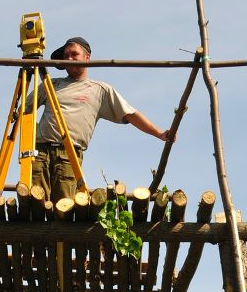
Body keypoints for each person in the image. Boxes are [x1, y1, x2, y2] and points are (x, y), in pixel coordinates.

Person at [30, 37, 174, 202]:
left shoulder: (99, 90)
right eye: (66, 55)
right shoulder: (51, 84)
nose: (69, 59)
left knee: (64, 204)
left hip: (68, 154)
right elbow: (22, 112)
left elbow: (130, 114)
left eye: (74, 54)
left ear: (87, 57)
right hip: (39, 151)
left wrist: (159, 133)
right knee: (35, 201)